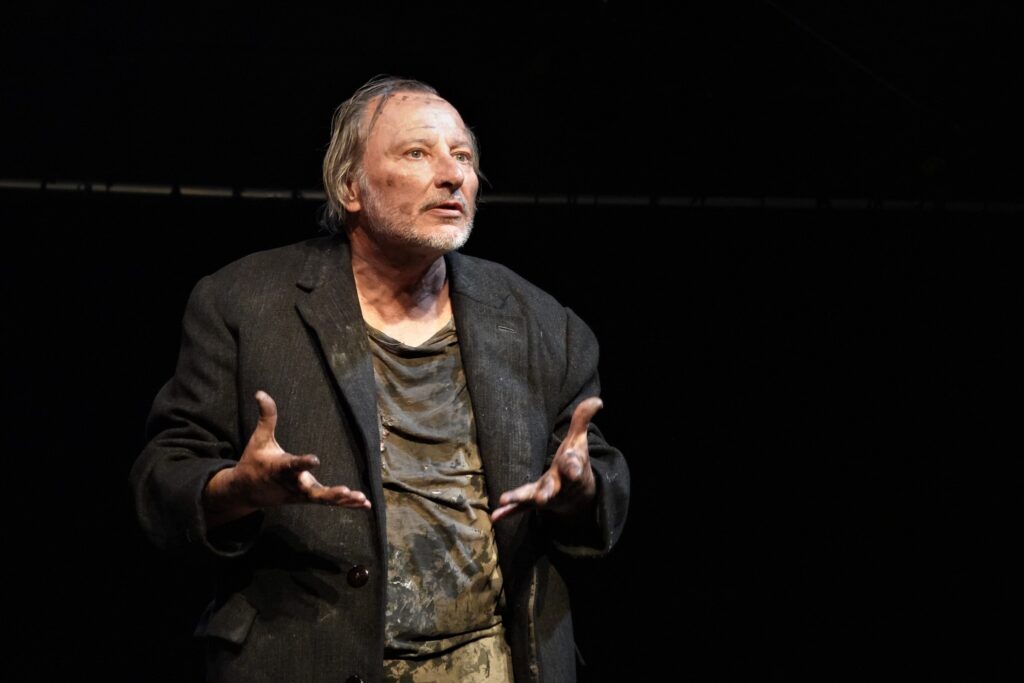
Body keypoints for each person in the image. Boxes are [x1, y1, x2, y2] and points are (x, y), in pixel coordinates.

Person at [130, 75, 629, 683]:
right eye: (418, 153)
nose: (452, 175)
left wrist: (582, 488)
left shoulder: (542, 322)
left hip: (495, 664)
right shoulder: (243, 304)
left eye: (463, 157)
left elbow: (600, 478)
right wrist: (237, 488)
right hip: (308, 657)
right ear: (350, 187)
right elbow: (164, 479)